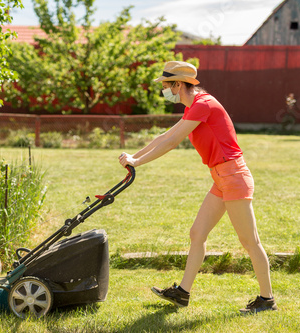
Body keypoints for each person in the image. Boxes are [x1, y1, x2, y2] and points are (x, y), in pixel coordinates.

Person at [118, 61, 277, 314]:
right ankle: (182, 293)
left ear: (178, 84)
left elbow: (171, 142)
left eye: (167, 85)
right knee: (197, 233)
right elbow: (164, 137)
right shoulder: (195, 106)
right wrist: (132, 156)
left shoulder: (204, 104)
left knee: (250, 241)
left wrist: (137, 161)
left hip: (233, 175)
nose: (165, 90)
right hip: (221, 177)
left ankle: (267, 300)